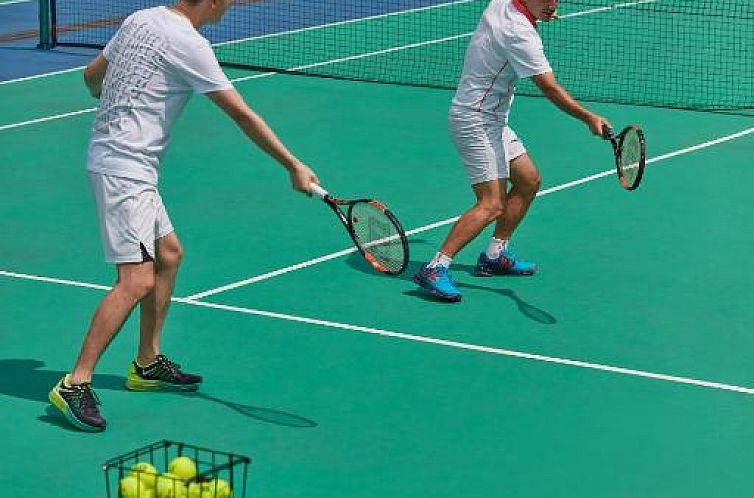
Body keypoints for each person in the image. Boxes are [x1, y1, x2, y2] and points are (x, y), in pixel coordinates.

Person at [48, 0, 319, 431]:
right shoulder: (189, 44)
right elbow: (241, 114)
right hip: (124, 169)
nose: (231, 4)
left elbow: (91, 77)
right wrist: (292, 165)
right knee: (135, 279)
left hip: (126, 163)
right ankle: (74, 383)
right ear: (210, 1)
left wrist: (117, 100)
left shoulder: (141, 18)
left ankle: (147, 362)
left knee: (168, 255)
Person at [413, 0, 610, 302]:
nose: (553, 4)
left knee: (529, 180)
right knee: (492, 203)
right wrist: (589, 118)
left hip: (493, 120)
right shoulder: (520, 34)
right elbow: (550, 88)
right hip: (475, 121)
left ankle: (494, 255)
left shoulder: (504, 4)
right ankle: (435, 268)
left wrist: (539, 8)